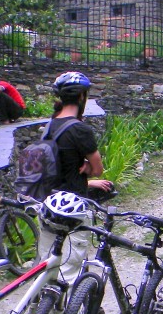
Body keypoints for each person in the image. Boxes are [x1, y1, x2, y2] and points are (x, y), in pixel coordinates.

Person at [35, 71, 113, 284]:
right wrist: (88, 169)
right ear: (81, 97)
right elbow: (98, 168)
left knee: (49, 263)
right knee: (69, 268)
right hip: (73, 207)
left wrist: (87, 179)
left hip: (49, 204)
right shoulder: (80, 130)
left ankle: (46, 312)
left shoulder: (49, 127)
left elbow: (59, 168)